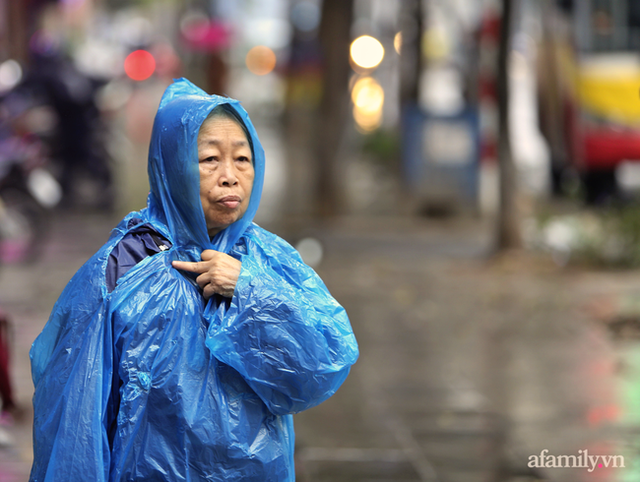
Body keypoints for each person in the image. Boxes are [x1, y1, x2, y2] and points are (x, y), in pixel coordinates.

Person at [29, 78, 358, 481]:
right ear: (172, 167)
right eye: (208, 160)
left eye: (242, 159)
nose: (230, 176)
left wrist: (249, 291)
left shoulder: (266, 258)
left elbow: (321, 367)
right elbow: (75, 422)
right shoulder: (124, 267)